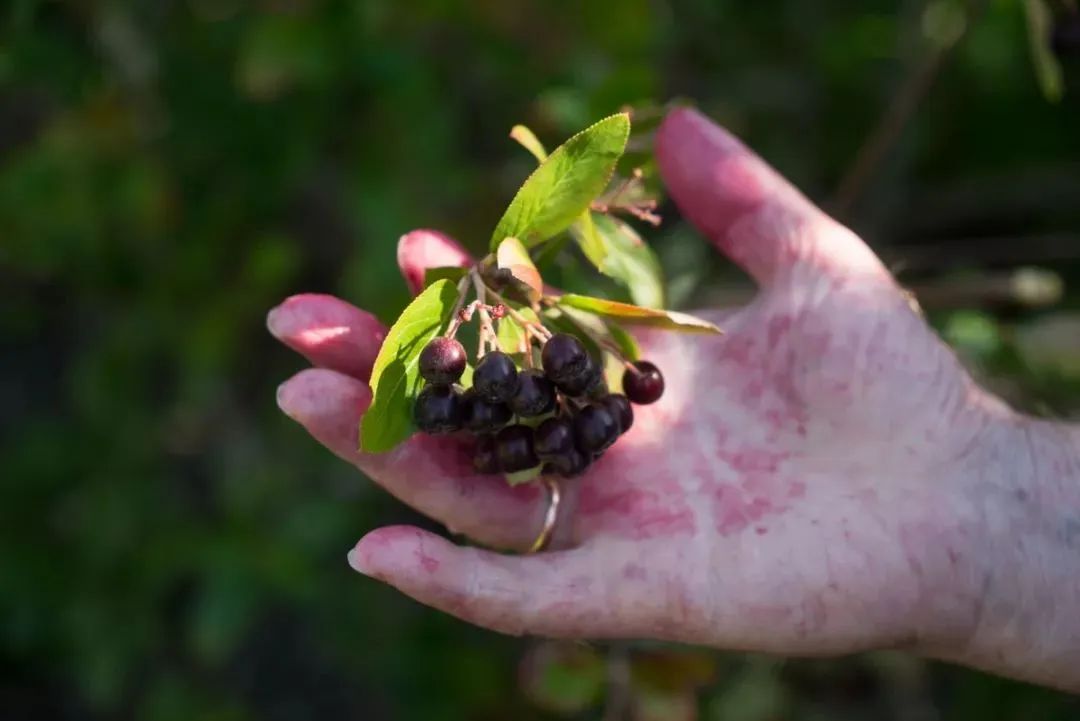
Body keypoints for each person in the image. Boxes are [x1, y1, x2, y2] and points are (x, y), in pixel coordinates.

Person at [267, 108, 1080, 692]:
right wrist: (992, 515)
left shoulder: (580, 376)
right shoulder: (558, 374)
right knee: (479, 399)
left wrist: (983, 504)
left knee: (511, 396)